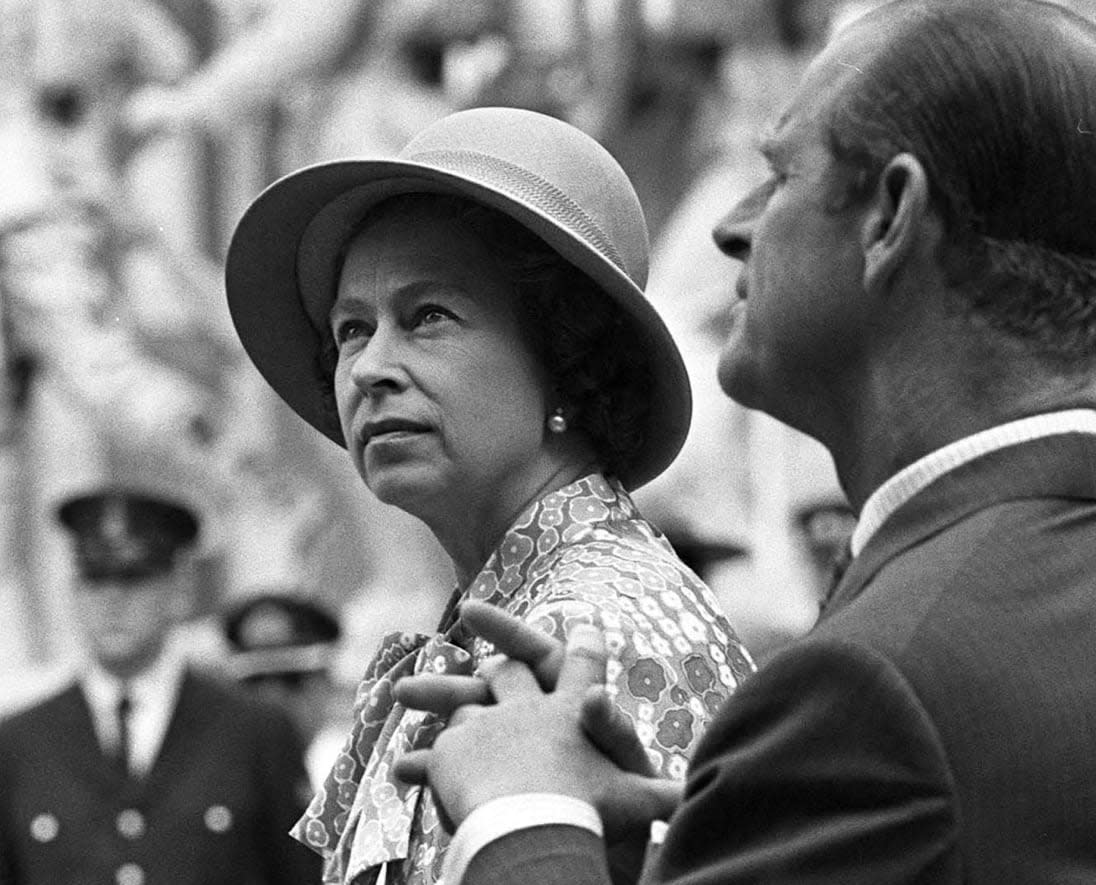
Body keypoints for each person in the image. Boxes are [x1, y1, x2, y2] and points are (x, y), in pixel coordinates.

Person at [386, 1, 1096, 882]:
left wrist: (524, 816)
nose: (733, 225)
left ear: (889, 217)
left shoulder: (871, 686)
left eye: (779, 175)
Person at [223, 106, 754, 884]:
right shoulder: (515, 611)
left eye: (428, 316)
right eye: (350, 330)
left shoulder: (596, 630)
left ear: (565, 358)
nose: (370, 367)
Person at [0, 488, 321, 885]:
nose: (113, 600)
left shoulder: (257, 733)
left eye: (135, 579)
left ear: (179, 589)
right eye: (95, 580)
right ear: (74, 591)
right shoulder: (18, 744)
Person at [222, 591, 345, 781]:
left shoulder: (360, 773)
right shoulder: (215, 777)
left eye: (291, 680)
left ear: (327, 685)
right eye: (255, 681)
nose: (273, 696)